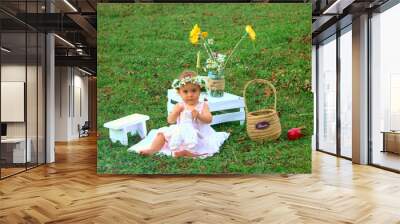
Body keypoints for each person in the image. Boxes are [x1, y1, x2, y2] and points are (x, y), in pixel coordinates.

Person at [138, 70, 229, 158]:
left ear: (199, 91)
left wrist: (199, 116)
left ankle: (188, 153)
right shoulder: (179, 105)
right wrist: (176, 112)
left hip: (198, 132)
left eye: (194, 90)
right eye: (185, 92)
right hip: (180, 131)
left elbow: (209, 119)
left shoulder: (203, 105)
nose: (190, 95)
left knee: (199, 143)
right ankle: (153, 149)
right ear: (179, 93)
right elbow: (170, 120)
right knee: (161, 134)